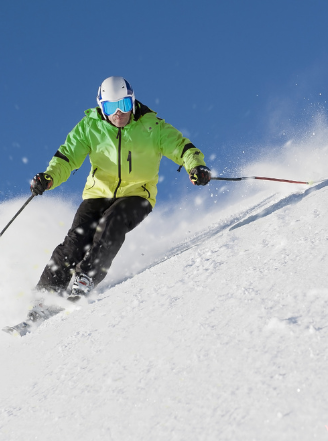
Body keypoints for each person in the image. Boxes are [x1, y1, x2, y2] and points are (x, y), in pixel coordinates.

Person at [29, 76, 211, 304]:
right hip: (99, 193)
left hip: (138, 194)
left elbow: (182, 147)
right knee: (76, 241)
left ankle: (85, 278)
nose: (119, 113)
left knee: (112, 222)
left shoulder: (152, 126)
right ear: (101, 108)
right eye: (111, 107)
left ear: (133, 102)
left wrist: (196, 166)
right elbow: (67, 157)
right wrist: (48, 178)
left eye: (124, 105)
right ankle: (43, 299)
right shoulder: (89, 127)